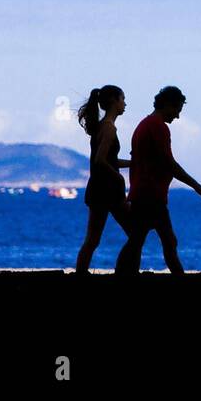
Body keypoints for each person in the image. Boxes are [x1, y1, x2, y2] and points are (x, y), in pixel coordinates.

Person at [114, 86, 201, 275]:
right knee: (163, 240)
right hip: (150, 195)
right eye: (177, 110)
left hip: (144, 193)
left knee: (139, 239)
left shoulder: (144, 125)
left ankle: (124, 273)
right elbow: (170, 164)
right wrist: (197, 187)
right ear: (167, 105)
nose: (178, 116)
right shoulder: (158, 127)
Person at [74, 85, 131, 274]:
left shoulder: (102, 127)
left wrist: (133, 163)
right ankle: (125, 272)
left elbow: (109, 160)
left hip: (99, 189)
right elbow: (100, 160)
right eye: (122, 99)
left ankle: (81, 273)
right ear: (114, 101)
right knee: (135, 232)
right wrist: (119, 179)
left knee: (92, 240)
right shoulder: (109, 129)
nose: (125, 103)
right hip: (108, 190)